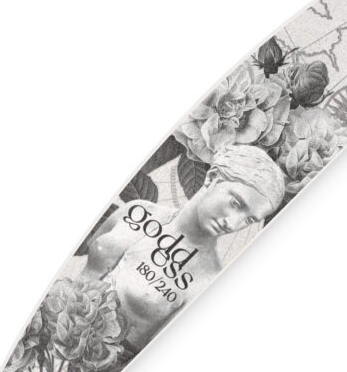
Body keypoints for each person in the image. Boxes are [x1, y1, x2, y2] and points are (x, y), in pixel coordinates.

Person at [80, 144, 286, 350]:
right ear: (212, 177)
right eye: (235, 203)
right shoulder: (138, 209)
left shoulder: (209, 279)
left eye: (249, 220)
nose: (232, 224)